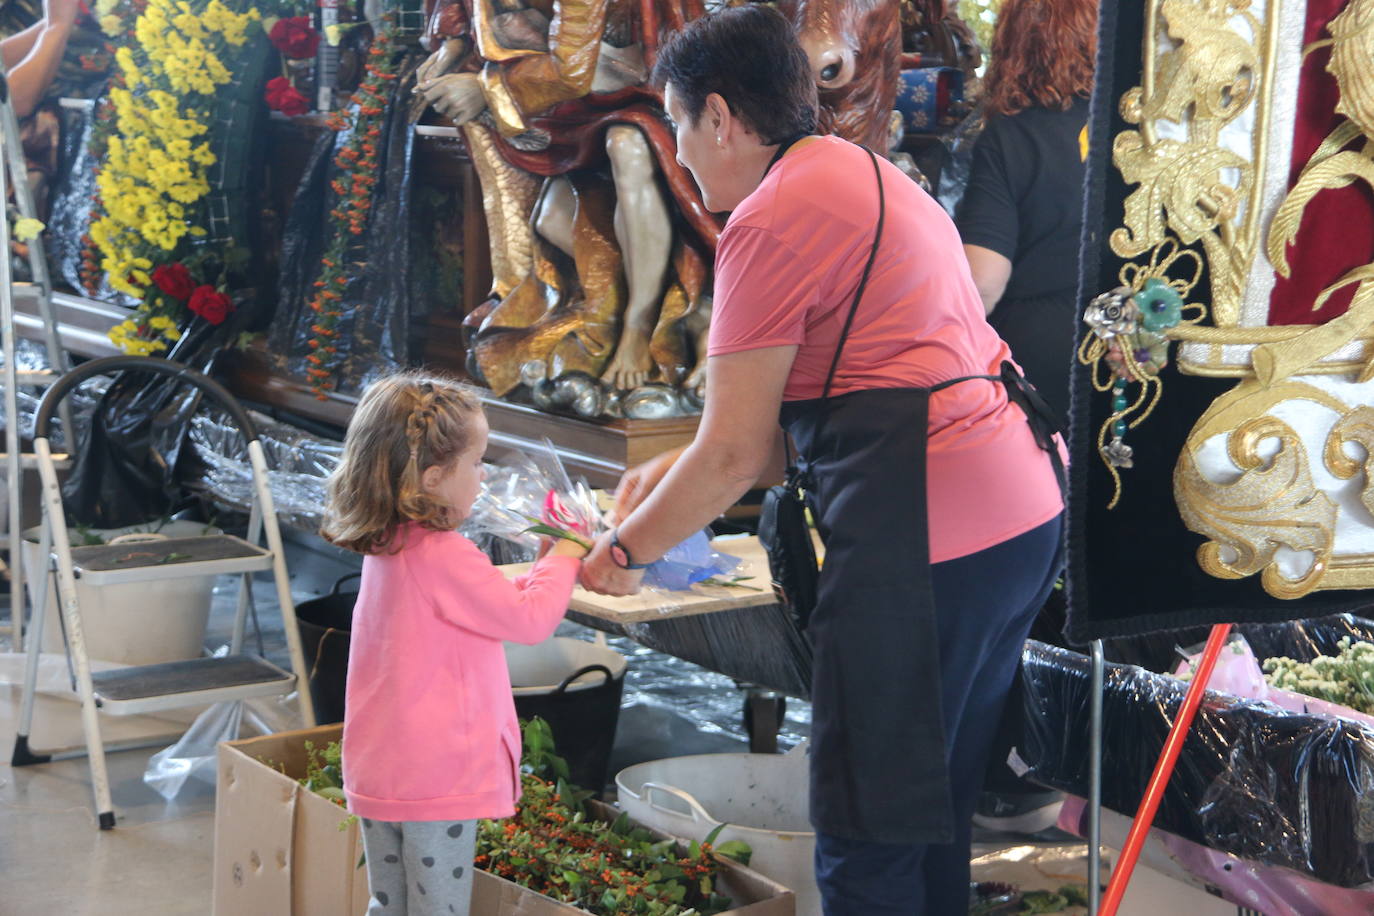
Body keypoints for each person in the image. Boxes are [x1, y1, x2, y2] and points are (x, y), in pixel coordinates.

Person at [578, 7, 1064, 914]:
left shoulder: (769, 219)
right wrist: (668, 482)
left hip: (933, 529)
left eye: (679, 125)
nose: (678, 155)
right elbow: (752, 442)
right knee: (935, 806)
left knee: (868, 828)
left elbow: (731, 457)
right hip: (1018, 508)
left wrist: (622, 552)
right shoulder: (861, 171)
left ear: (720, 115)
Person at [321, 372, 588, 916]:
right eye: (476, 462)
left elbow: (481, 602)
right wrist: (567, 552)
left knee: (388, 905)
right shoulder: (444, 554)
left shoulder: (390, 544)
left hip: (385, 767)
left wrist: (543, 564)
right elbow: (532, 621)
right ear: (435, 477)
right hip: (434, 777)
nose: (483, 475)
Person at [954, 0, 1097, 836]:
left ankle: (1021, 770)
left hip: (1039, 390)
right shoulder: (1149, 129)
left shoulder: (1011, 136)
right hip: (1136, 375)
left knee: (1030, 582)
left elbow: (980, 283)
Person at [955, 0, 1098, 427]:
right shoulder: (1141, 125)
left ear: (1013, 43)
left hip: (1034, 369)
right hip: (1129, 349)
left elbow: (981, 283)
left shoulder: (1010, 135)